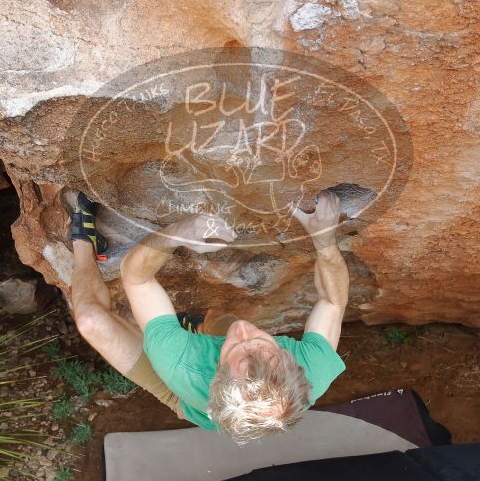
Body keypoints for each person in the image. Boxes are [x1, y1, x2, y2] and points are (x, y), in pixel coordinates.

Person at [70, 190, 349, 443]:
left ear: (217, 374)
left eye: (236, 347)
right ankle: (197, 326)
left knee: (90, 322)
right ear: (289, 361)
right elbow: (333, 301)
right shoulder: (312, 369)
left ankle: (83, 241)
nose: (243, 330)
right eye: (263, 343)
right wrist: (324, 240)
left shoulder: (181, 364)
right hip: (218, 361)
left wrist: (176, 234)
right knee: (218, 319)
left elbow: (136, 277)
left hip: (182, 390)